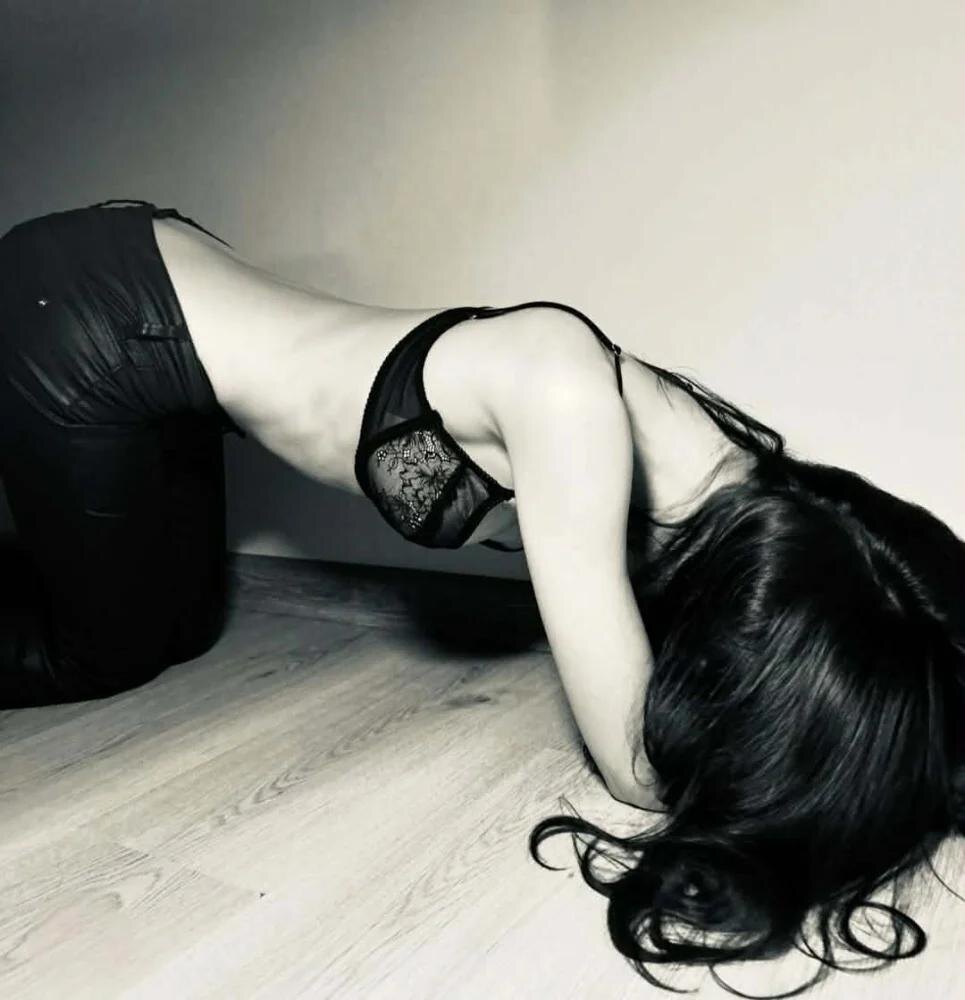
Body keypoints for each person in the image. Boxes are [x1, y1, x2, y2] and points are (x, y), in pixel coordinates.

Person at [0, 199, 962, 992]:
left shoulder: (741, 497)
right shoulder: (568, 406)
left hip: (161, 310)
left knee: (181, 625)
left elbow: (892, 614)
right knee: (105, 653)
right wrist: (791, 777)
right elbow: (633, 770)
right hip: (91, 323)